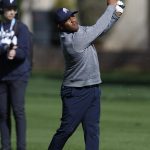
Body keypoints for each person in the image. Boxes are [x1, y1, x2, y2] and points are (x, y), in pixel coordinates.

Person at [48, 0, 125, 150]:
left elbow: (100, 30)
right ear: (60, 26)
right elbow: (98, 28)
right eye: (67, 20)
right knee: (66, 130)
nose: (72, 20)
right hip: (76, 92)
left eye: (72, 16)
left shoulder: (78, 31)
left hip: (92, 88)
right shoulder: (73, 41)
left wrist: (115, 15)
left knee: (92, 132)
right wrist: (111, 7)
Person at [0, 0, 31, 150]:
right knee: (2, 113)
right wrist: (5, 49)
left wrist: (15, 52)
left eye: (14, 9)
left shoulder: (22, 28)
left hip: (18, 76)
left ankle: (21, 147)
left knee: (18, 111)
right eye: (8, 9)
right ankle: (6, 147)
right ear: (2, 10)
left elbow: (24, 53)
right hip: (2, 76)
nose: (11, 12)